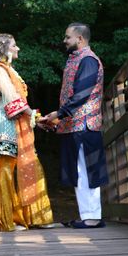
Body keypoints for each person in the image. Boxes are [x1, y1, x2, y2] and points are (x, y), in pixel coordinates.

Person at [0, 33, 54, 231]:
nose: (18, 48)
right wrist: (36, 117)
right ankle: (7, 220)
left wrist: (36, 119)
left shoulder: (9, 71)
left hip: (14, 125)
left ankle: (36, 217)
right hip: (4, 127)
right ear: (4, 48)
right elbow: (13, 100)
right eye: (14, 45)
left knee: (30, 165)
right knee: (5, 170)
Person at [39, 23, 108, 228]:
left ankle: (92, 217)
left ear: (80, 39)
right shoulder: (77, 59)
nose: (64, 40)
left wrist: (59, 114)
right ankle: (88, 216)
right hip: (75, 125)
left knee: (87, 170)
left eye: (68, 37)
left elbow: (82, 94)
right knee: (80, 171)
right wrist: (59, 118)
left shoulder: (88, 60)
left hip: (85, 125)